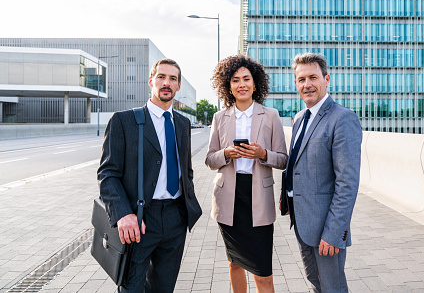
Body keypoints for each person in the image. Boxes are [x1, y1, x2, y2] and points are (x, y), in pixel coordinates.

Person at [98, 58, 202, 292]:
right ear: (150, 82)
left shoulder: (183, 124)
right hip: (139, 220)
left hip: (175, 218)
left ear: (178, 86)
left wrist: (187, 205)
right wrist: (123, 214)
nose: (167, 83)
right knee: (132, 288)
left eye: (173, 79)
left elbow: (186, 171)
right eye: (161, 77)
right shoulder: (124, 121)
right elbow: (108, 173)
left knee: (163, 288)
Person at [205, 55, 288, 293]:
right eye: (235, 80)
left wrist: (262, 154)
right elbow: (210, 160)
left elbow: (283, 160)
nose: (241, 84)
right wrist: (227, 153)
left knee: (263, 273)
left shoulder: (270, 115)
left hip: (258, 200)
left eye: (246, 79)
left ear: (255, 83)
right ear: (228, 86)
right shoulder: (219, 117)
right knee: (234, 264)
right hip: (228, 199)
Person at [281, 53, 362, 293]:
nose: (307, 84)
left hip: (327, 227)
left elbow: (347, 182)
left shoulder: (342, 118)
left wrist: (335, 232)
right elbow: (296, 164)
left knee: (332, 288)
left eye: (313, 77)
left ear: (326, 79)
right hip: (303, 222)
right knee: (316, 284)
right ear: (296, 84)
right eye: (301, 79)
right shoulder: (299, 119)